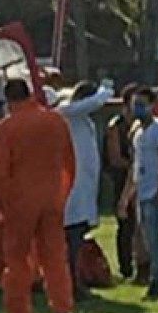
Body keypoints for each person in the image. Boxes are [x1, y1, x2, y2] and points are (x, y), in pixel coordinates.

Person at [0, 78, 76, 313]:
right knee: (55, 257)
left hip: (19, 202)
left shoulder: (9, 126)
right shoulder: (56, 121)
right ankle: (62, 309)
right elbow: (70, 163)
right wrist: (62, 193)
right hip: (51, 199)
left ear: (9, 100)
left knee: (16, 260)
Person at [57, 78, 115, 294]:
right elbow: (92, 103)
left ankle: (74, 281)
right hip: (73, 192)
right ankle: (70, 284)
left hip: (83, 191)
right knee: (71, 241)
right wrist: (105, 90)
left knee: (77, 240)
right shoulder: (68, 112)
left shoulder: (81, 118)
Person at [123, 84, 158, 300]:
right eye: (135, 104)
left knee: (155, 240)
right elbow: (136, 165)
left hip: (157, 194)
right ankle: (155, 278)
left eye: (142, 104)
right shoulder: (137, 132)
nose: (138, 108)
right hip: (143, 192)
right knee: (146, 239)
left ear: (152, 105)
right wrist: (128, 195)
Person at [104, 87, 137, 279]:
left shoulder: (145, 125)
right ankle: (126, 266)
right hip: (122, 178)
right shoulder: (116, 126)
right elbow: (114, 158)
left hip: (142, 178)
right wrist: (136, 164)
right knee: (126, 224)